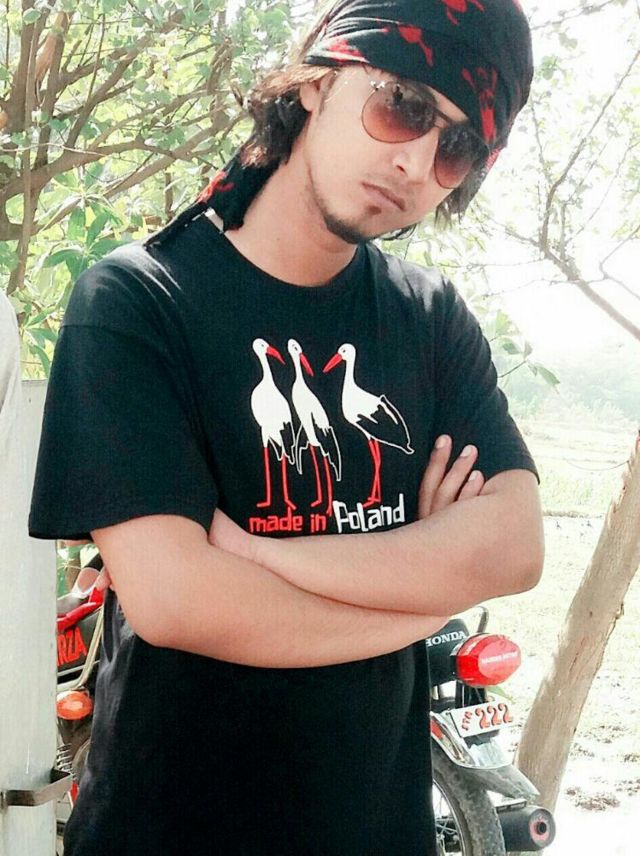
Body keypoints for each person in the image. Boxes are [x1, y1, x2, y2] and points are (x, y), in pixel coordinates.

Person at [29, 0, 543, 853]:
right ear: (316, 83)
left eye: (457, 147)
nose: (415, 162)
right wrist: (425, 592)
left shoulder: (429, 318)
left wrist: (262, 556)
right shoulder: (139, 301)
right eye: (402, 105)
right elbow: (178, 602)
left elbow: (514, 548)